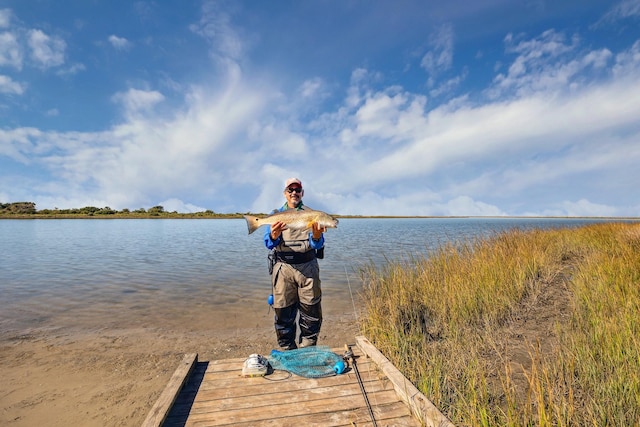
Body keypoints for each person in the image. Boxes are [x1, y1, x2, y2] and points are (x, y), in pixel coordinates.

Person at [264, 178, 326, 350]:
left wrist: (316, 235)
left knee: (311, 310)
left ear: (302, 193)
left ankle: (308, 347)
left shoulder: (313, 215)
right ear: (285, 193)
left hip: (308, 267)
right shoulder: (275, 214)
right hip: (283, 268)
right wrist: (274, 236)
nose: (294, 193)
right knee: (283, 311)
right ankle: (287, 349)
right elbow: (268, 244)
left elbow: (318, 245)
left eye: (297, 190)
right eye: (290, 190)